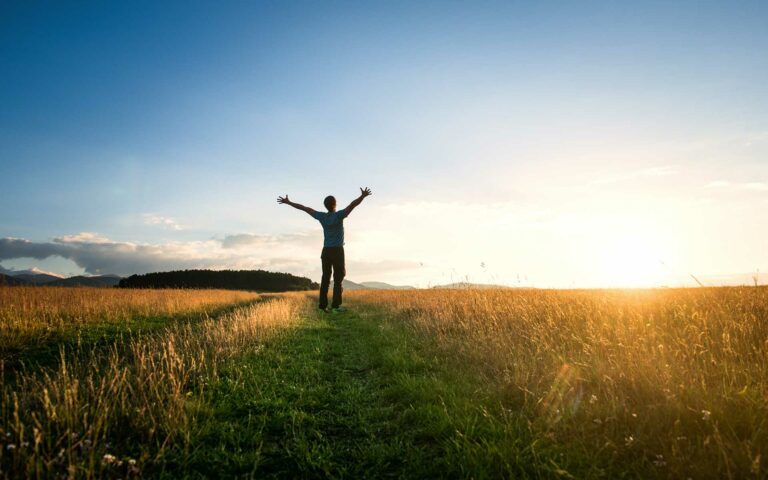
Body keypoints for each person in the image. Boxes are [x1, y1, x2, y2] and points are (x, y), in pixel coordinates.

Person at [277, 187, 372, 313]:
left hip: (326, 251)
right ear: (335, 204)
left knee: (325, 279)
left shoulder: (321, 216)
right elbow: (352, 205)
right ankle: (336, 307)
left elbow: (305, 208)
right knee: (338, 279)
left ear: (325, 206)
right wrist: (363, 196)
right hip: (337, 251)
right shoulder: (339, 215)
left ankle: (322, 307)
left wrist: (289, 202)